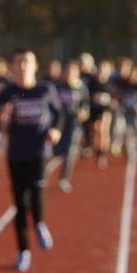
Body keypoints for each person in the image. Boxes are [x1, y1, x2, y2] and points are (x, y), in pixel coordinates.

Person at [0, 48, 63, 272]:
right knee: (20, 204)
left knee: (37, 194)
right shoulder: (7, 92)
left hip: (39, 153)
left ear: (35, 66)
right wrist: (1, 118)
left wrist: (56, 130)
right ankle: (23, 251)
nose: (22, 66)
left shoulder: (45, 89)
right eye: (18, 62)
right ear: (12, 67)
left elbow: (59, 114)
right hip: (16, 154)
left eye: (26, 62)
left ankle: (39, 223)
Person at [51, 60, 90, 193]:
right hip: (58, 124)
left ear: (77, 73)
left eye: (73, 72)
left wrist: (83, 113)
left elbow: (86, 107)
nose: (69, 74)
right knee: (56, 151)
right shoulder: (57, 86)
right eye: (67, 71)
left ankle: (64, 179)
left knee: (70, 152)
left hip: (74, 125)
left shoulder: (82, 88)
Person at [88, 59, 115, 167]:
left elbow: (115, 99)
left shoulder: (110, 85)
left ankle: (103, 153)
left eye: (104, 70)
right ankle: (97, 150)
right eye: (100, 70)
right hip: (94, 110)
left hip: (105, 111)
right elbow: (88, 96)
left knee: (104, 130)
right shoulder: (92, 83)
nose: (102, 72)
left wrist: (111, 102)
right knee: (96, 131)